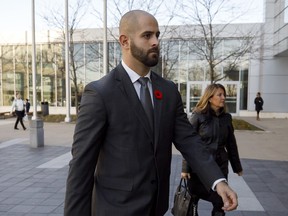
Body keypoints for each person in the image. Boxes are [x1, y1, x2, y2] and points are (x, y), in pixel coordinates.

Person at [64, 10, 238, 216]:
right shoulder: (101, 93)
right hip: (115, 209)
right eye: (147, 35)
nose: (155, 41)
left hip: (156, 208)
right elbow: (81, 166)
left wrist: (218, 181)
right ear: (125, 41)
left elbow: (190, 141)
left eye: (157, 35)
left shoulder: (168, 90)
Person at [181, 83, 243, 216]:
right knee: (192, 203)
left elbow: (231, 144)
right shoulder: (198, 115)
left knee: (221, 203)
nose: (223, 98)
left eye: (224, 95)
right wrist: (185, 169)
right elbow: (189, 143)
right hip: (199, 167)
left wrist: (237, 167)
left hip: (220, 167)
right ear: (209, 98)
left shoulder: (227, 118)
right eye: (219, 95)